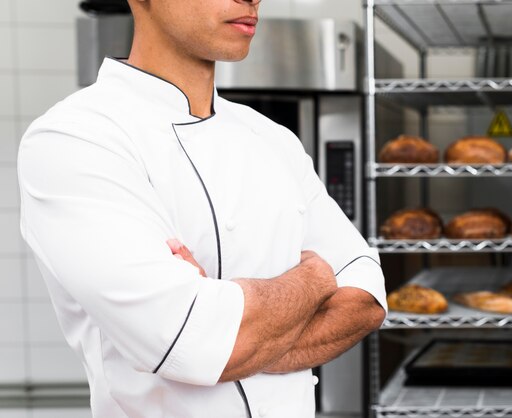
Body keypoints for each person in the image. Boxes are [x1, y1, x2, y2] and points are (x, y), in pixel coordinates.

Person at [17, 0, 387, 417]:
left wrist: (240, 338)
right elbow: (191, 339)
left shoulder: (271, 137)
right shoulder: (75, 139)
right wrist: (315, 278)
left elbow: (366, 298)